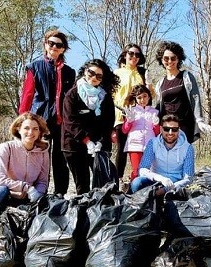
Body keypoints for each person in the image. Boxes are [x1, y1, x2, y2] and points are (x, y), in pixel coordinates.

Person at [19, 29, 76, 197]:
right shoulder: (34, 67)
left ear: (63, 49)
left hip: (62, 121)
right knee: (39, 158)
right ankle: (36, 192)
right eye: (51, 43)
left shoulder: (69, 72)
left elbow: (71, 98)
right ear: (45, 45)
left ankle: (60, 193)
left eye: (59, 45)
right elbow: (27, 94)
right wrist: (23, 119)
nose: (54, 47)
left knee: (60, 159)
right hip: (40, 120)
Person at [0, 113, 50, 239]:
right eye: (26, 128)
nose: (30, 132)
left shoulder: (43, 152)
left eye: (35, 129)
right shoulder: (6, 148)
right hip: (7, 193)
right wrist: (26, 188)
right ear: (18, 129)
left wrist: (37, 194)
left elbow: (43, 181)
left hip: (28, 197)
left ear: (40, 132)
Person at [61, 59, 119, 195]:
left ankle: (101, 210)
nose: (94, 78)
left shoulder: (105, 96)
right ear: (84, 71)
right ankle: (83, 211)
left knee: (105, 180)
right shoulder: (72, 94)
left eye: (99, 76)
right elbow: (70, 121)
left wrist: (101, 141)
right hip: (74, 144)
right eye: (91, 73)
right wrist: (86, 141)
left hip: (97, 144)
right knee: (83, 184)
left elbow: (108, 121)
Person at [154, 41, 211, 143]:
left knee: (182, 156)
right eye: (166, 58)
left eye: (173, 58)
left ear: (178, 59)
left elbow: (195, 99)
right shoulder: (160, 83)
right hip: (167, 128)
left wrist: (199, 120)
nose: (170, 61)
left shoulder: (186, 77)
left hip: (185, 126)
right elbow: (159, 106)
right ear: (161, 60)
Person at [129, 114, 195, 196]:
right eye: (166, 129)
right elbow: (143, 169)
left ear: (179, 130)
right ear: (161, 129)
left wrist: (166, 189)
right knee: (136, 183)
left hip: (176, 185)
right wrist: (160, 178)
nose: (170, 133)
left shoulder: (188, 148)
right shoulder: (153, 143)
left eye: (174, 129)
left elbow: (188, 179)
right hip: (155, 181)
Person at [113, 44, 149, 186]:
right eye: (131, 53)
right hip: (121, 116)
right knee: (121, 150)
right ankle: (118, 180)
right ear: (124, 55)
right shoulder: (116, 73)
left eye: (137, 55)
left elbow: (148, 96)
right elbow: (111, 97)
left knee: (139, 149)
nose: (134, 57)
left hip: (140, 118)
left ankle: (138, 177)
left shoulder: (143, 74)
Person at [122, 84, 160, 182]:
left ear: (149, 96)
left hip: (150, 145)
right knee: (136, 171)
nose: (142, 100)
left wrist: (156, 124)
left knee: (150, 171)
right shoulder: (131, 111)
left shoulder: (154, 111)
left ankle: (150, 191)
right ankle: (134, 191)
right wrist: (129, 121)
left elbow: (157, 132)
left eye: (144, 96)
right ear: (135, 99)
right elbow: (124, 130)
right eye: (139, 98)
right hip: (135, 145)